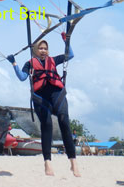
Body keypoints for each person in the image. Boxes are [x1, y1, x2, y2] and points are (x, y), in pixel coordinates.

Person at [7, 40, 80, 177]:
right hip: (40, 96)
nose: (43, 50)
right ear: (35, 50)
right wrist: (14, 63)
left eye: (45, 48)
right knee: (47, 125)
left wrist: (66, 40)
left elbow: (70, 55)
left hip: (56, 94)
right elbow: (22, 77)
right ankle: (47, 162)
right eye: (40, 48)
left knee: (64, 121)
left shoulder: (53, 60)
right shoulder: (29, 64)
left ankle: (73, 162)